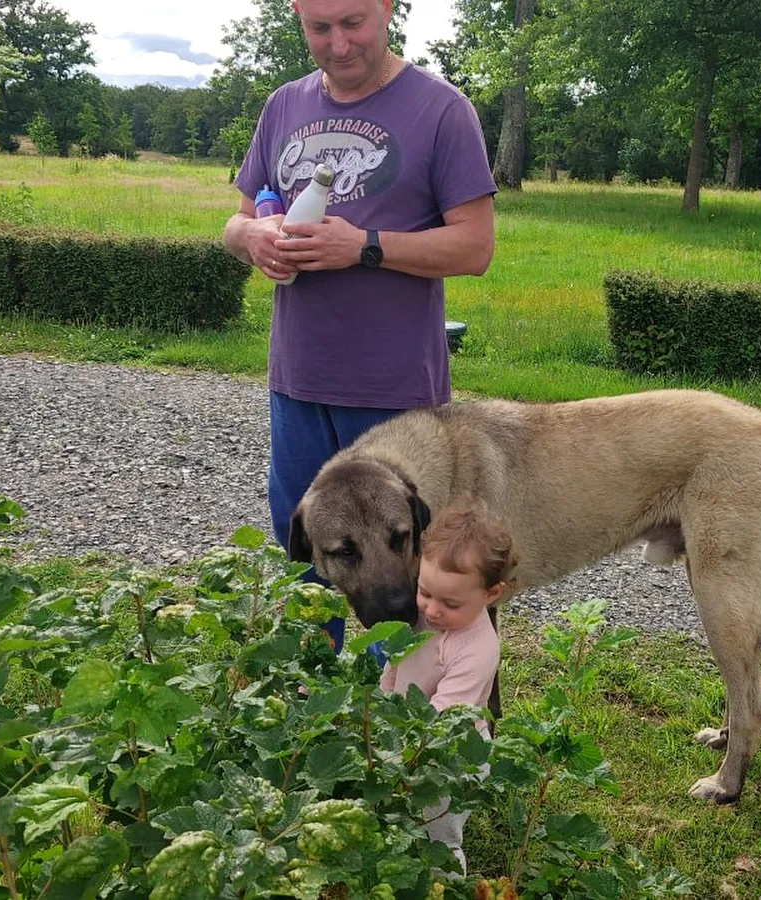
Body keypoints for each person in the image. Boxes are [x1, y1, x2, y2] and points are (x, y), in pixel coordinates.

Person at [223, 0, 498, 651]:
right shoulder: (283, 106)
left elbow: (475, 247)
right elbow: (237, 218)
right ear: (298, 17)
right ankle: (315, 712)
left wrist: (366, 246)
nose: (338, 44)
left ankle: (397, 716)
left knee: (400, 573)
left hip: (396, 396)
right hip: (296, 382)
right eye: (319, 27)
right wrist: (252, 237)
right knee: (309, 568)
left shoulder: (440, 109)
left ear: (387, 9)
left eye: (354, 23)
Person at [380, 502, 516, 874]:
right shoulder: (423, 615)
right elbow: (396, 660)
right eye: (425, 592)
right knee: (396, 815)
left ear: (492, 593)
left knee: (436, 831)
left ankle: (447, 880)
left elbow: (445, 716)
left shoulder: (477, 649)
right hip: (408, 737)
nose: (433, 610)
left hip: (453, 757)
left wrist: (397, 744)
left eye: (450, 603)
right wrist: (381, 702)